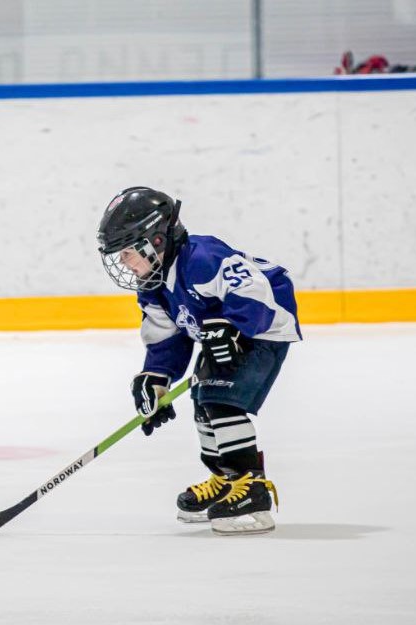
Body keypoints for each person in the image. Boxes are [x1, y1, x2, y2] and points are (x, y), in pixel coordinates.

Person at [95, 186, 300, 535]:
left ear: (156, 240)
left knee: (221, 402)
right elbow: (167, 338)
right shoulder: (153, 286)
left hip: (262, 330)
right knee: (203, 402)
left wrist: (234, 326)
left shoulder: (202, 258)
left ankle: (252, 489)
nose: (125, 263)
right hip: (222, 336)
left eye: (129, 253)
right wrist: (155, 377)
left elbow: (253, 292)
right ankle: (225, 480)